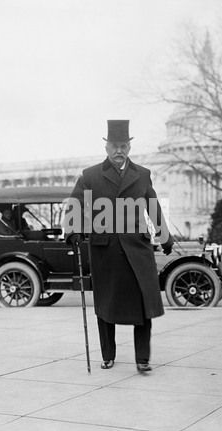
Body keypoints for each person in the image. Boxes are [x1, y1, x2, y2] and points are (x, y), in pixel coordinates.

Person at [65, 120, 174, 373]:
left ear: (129, 147)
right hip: (105, 250)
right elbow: (75, 203)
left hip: (137, 248)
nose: (119, 151)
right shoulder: (90, 176)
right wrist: (72, 229)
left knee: (144, 302)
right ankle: (108, 355)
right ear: (106, 147)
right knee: (106, 306)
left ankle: (142, 358)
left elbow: (154, 209)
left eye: (123, 146)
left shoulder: (143, 174)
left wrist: (165, 238)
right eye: (114, 146)